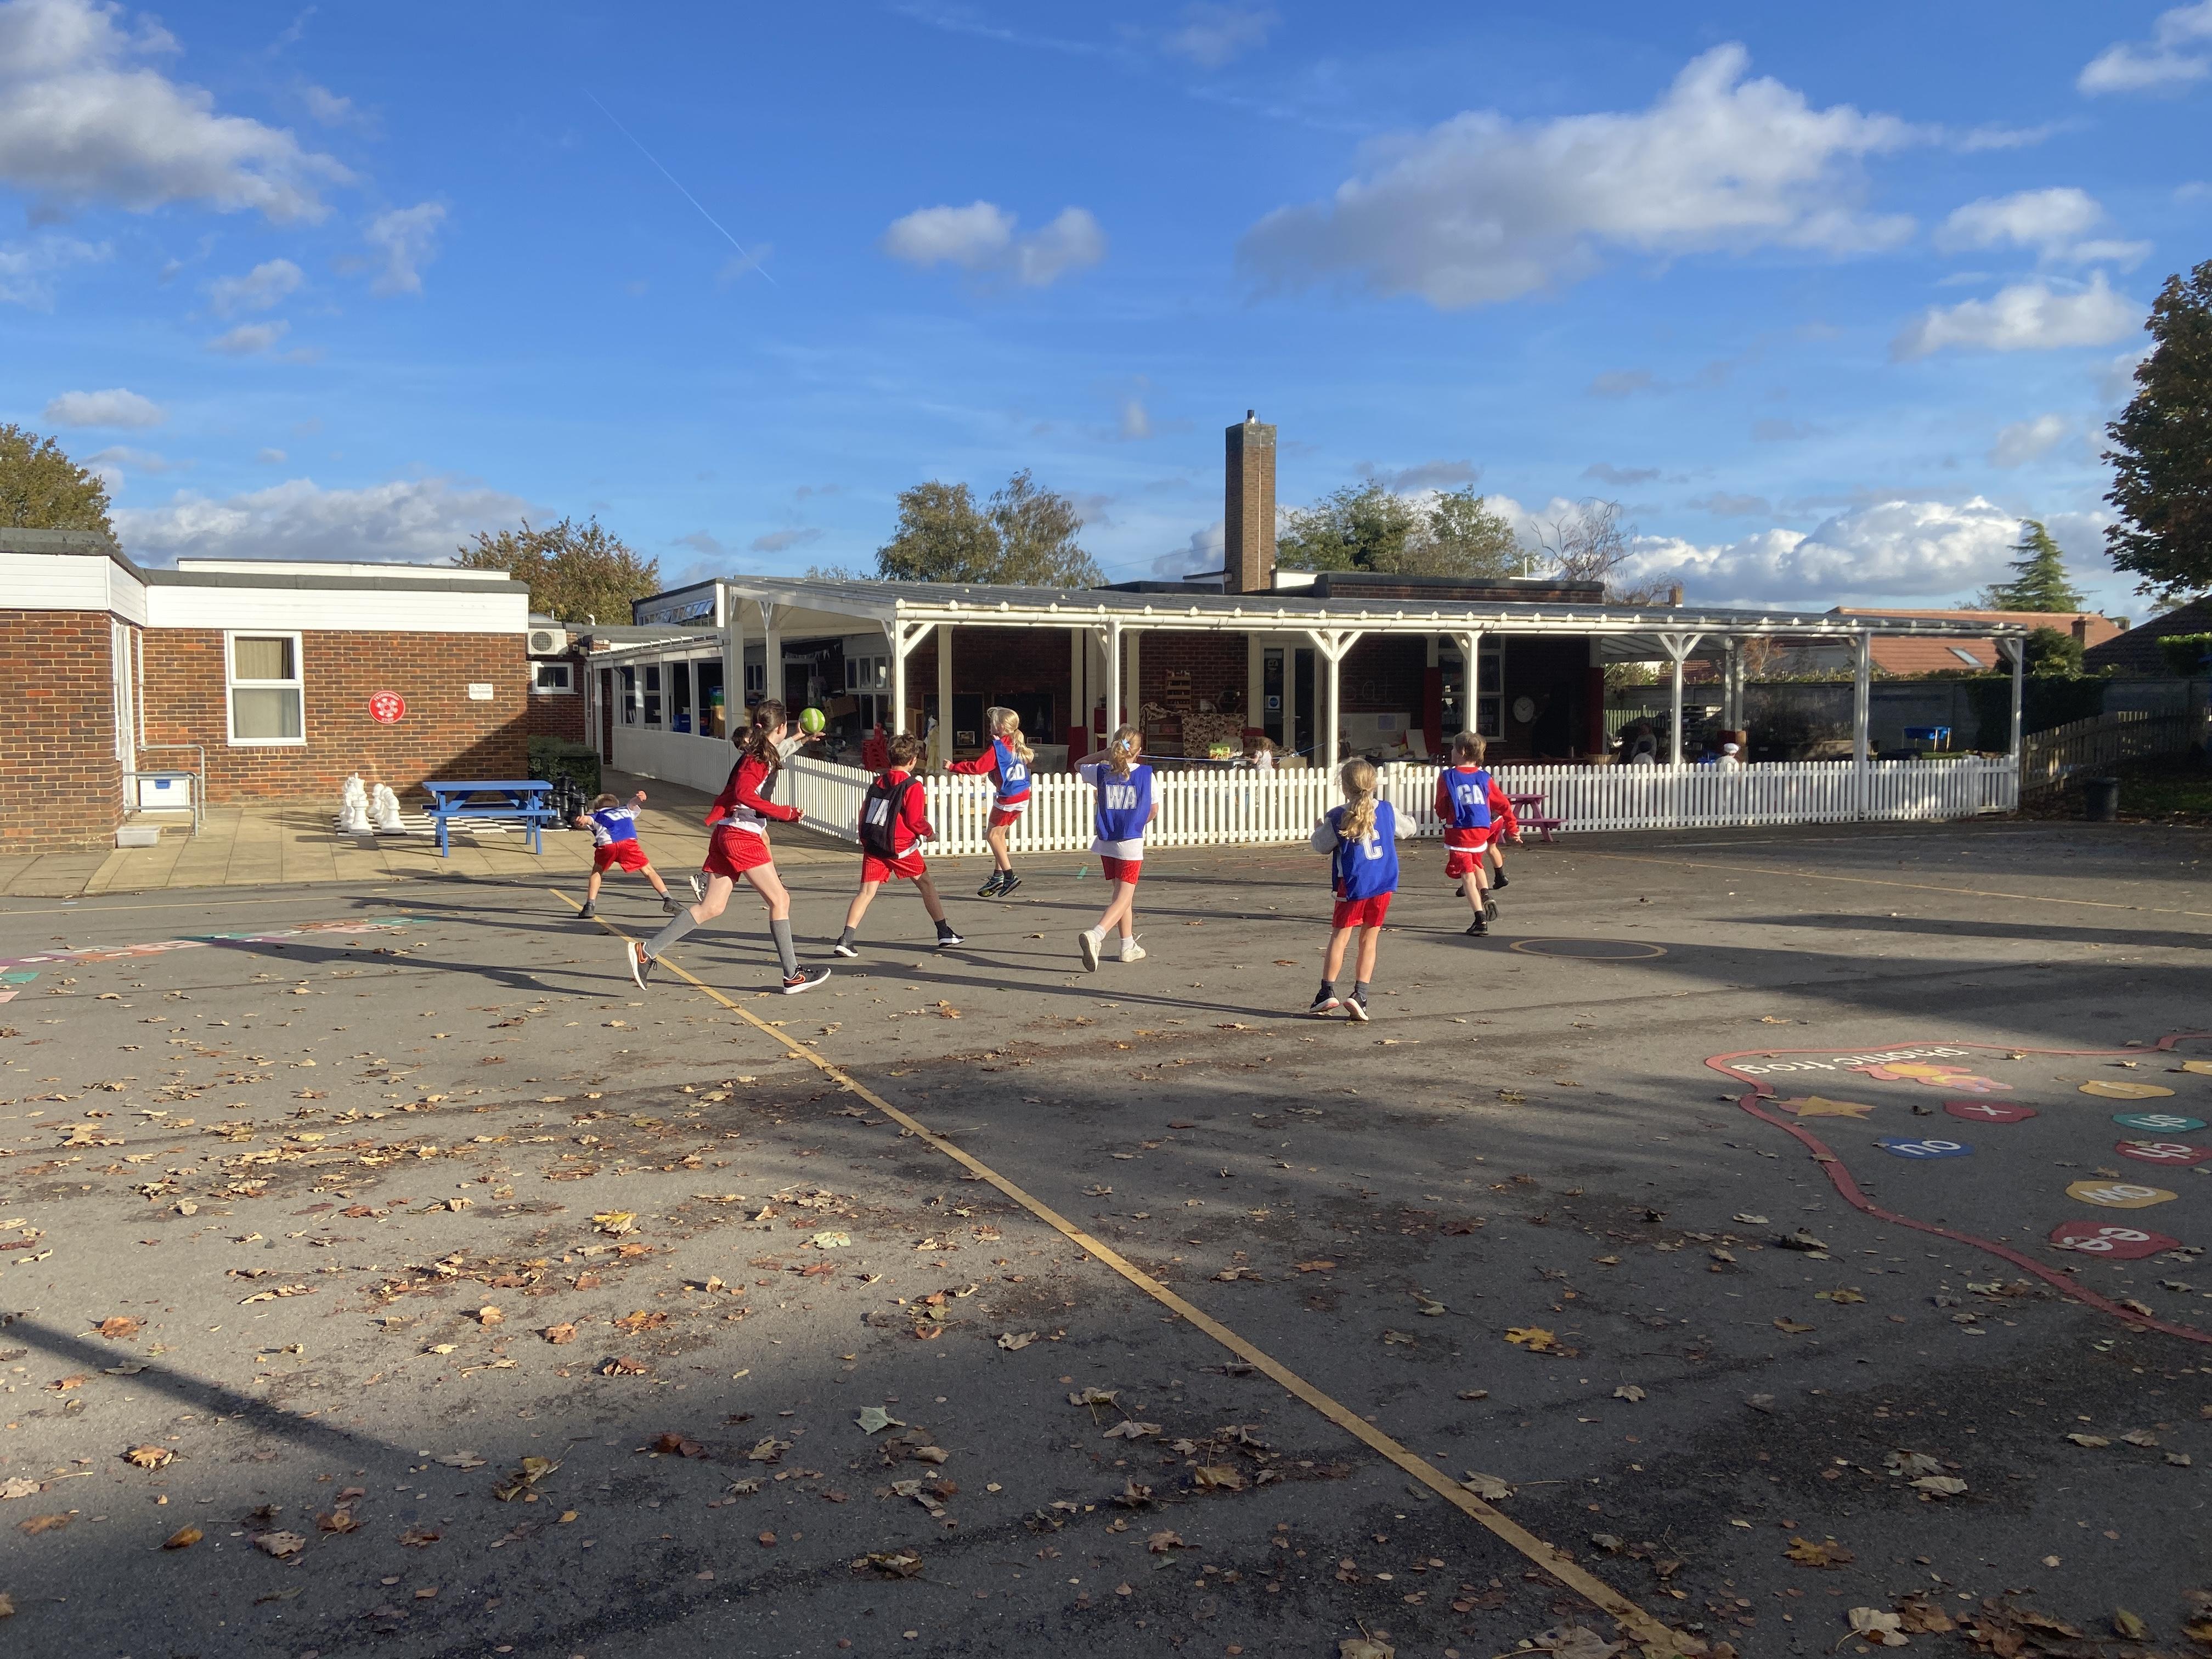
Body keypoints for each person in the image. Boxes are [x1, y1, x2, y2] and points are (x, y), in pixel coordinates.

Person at [624, 699, 831, 995]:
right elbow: (744, 793)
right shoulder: (757, 759)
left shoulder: (761, 751)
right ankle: (792, 975)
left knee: (712, 907)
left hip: (728, 832)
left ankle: (646, 952)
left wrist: (802, 738)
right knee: (780, 900)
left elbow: (777, 753)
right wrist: (782, 812)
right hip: (742, 836)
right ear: (782, 727)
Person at [834, 733, 962, 955]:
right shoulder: (912, 786)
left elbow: (865, 813)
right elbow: (914, 820)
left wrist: (865, 840)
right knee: (926, 884)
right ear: (913, 761)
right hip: (901, 847)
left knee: (865, 893)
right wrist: (930, 833)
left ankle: (846, 939)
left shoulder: (878, 782)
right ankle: (944, 931)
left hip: (875, 845)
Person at [1308, 758, 1412, 1020]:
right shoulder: (1386, 810)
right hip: (1383, 884)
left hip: (1353, 885)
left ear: (1344, 787)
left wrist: (1318, 830)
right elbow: (1408, 829)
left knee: (1340, 938)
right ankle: (1360, 995)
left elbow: (1321, 846)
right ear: (1373, 784)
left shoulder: (1338, 816)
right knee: (1369, 939)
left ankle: (1327, 991)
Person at [1073, 724, 1156, 970]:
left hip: (1107, 841)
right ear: (1138, 751)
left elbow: (1078, 764)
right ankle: (1096, 935)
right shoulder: (1146, 774)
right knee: (1123, 898)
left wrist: (1103, 754)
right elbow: (1153, 811)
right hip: (1130, 842)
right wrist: (1136, 821)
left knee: (1121, 896)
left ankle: (1127, 945)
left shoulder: (1102, 772)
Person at [1434, 731, 1519, 938]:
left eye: (1453, 748)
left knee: (1467, 876)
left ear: (1462, 751)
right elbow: (1503, 804)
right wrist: (1513, 828)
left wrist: (1444, 815)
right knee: (1476, 862)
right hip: (1481, 829)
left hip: (1460, 830)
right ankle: (1486, 893)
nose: (1451, 751)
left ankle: (1480, 919)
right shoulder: (1484, 777)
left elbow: (1441, 806)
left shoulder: (1448, 777)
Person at [943, 706, 1033, 897]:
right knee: (1000, 835)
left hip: (1008, 797)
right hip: (1023, 794)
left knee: (992, 835)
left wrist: (953, 767)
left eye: (992, 723)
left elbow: (979, 767)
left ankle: (1009, 876)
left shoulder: (998, 748)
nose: (989, 726)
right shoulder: (1016, 744)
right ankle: (998, 875)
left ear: (1000, 727)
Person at [574, 789, 680, 919]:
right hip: (628, 844)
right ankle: (668, 900)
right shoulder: (625, 810)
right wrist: (640, 798)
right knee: (648, 871)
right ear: (616, 805)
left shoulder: (597, 815)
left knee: (597, 871)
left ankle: (590, 906)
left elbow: (587, 820)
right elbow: (633, 803)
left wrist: (581, 820)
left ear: (596, 808)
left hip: (607, 846)